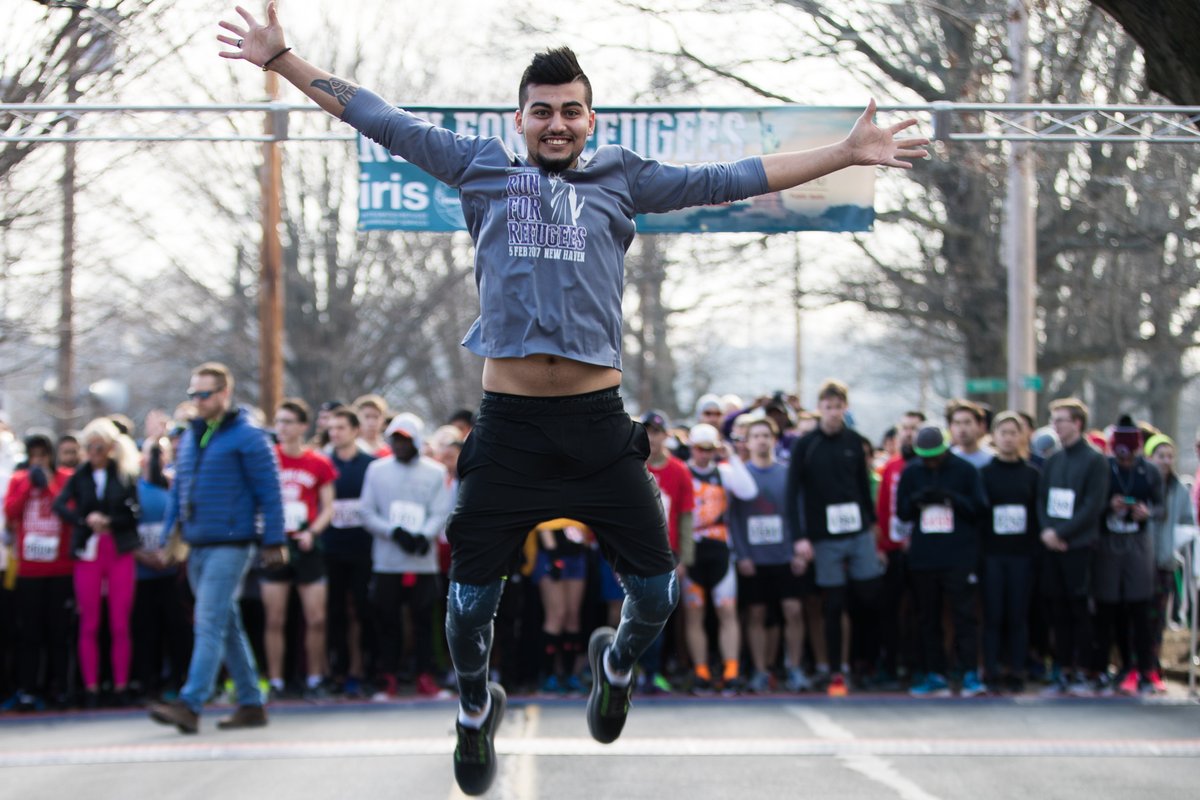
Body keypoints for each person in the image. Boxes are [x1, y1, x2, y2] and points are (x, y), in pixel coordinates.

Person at [218, 5, 927, 793]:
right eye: (542, 111)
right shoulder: (479, 166)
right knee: (465, 608)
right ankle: (473, 703)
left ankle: (615, 663)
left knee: (657, 594)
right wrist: (283, 59)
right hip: (511, 429)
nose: (556, 124)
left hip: (595, 428)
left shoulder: (624, 177)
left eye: (570, 111)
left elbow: (738, 177)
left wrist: (847, 153)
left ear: (591, 119)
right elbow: (378, 116)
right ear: (519, 119)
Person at [148, 362, 287, 734]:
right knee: (225, 622)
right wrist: (168, 535)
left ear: (224, 393)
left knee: (208, 621)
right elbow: (179, 488)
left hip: (232, 543)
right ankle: (251, 703)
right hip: (197, 543)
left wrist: (275, 539)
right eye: (193, 394)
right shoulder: (193, 435)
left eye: (204, 394)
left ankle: (191, 703)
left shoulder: (249, 436)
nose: (197, 400)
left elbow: (271, 492)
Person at [787, 380, 883, 696]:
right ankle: (836, 671)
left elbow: (863, 486)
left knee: (869, 596)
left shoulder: (855, 442)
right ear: (820, 409)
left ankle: (866, 663)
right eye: (827, 407)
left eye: (837, 407)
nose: (832, 412)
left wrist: (873, 527)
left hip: (857, 531)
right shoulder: (806, 444)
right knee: (832, 603)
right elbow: (792, 493)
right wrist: (800, 537)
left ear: (845, 408)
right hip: (823, 536)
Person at [359, 413, 454, 699]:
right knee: (387, 620)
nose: (399, 445)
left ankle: (425, 676)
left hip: (422, 561)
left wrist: (422, 536)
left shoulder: (435, 472)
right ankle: (387, 676)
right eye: (395, 440)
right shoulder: (376, 470)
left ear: (415, 440)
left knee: (424, 621)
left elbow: (441, 510)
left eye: (405, 440)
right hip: (387, 559)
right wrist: (393, 532)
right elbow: (366, 511)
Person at [53, 418, 142, 708]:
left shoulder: (124, 474)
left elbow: (134, 513)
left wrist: (109, 521)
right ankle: (91, 688)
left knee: (119, 622)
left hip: (117, 549)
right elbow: (59, 506)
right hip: (89, 549)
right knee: (89, 622)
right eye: (89, 447)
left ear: (110, 448)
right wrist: (84, 520)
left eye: (99, 447)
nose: (93, 452)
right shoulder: (79, 476)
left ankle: (120, 685)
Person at [897, 426, 988, 697]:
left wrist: (951, 499)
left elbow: (979, 509)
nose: (930, 463)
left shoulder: (966, 471)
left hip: (959, 555)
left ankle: (970, 672)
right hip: (924, 557)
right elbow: (902, 512)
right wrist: (918, 500)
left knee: (964, 616)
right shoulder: (912, 472)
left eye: (935, 457)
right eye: (925, 458)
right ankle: (934, 673)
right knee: (927, 617)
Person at [728, 417, 810, 693]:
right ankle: (761, 671)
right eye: (756, 436)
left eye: (766, 435)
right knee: (756, 613)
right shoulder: (740, 475)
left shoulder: (787, 474)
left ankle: (794, 668)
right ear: (748, 442)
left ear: (775, 440)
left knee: (793, 610)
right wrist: (742, 555)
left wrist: (800, 548)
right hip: (754, 558)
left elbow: (799, 511)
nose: (762, 440)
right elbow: (734, 518)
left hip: (786, 555)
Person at [265, 398, 336, 699]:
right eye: (278, 421)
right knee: (275, 618)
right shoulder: (268, 459)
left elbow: (329, 507)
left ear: (303, 427)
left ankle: (315, 678)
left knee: (316, 618)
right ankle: (276, 682)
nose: (281, 428)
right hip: (275, 545)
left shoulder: (317, 462)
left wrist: (312, 532)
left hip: (306, 543)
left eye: (288, 422)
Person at [1037, 398, 1109, 696]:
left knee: (1080, 609)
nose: (1056, 426)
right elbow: (1041, 498)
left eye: (1061, 420)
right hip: (1053, 545)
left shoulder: (1094, 460)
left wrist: (1063, 533)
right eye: (1053, 420)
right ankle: (1062, 670)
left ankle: (1084, 671)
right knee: (1057, 609)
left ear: (1077, 423)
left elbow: (1094, 505)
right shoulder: (1053, 459)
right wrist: (1047, 531)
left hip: (1079, 545)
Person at [683, 422, 757, 694]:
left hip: (720, 549)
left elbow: (749, 491)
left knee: (727, 611)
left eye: (710, 449)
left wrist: (732, 456)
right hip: (691, 550)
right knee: (694, 614)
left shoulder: (724, 472)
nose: (705, 455)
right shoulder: (683, 473)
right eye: (700, 449)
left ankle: (731, 670)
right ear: (692, 448)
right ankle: (701, 671)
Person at [4, 433, 75, 711]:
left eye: (43, 456)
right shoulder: (18, 480)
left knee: (59, 632)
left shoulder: (65, 479)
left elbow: (70, 513)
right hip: (29, 571)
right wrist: (27, 489)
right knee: (29, 634)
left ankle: (60, 688)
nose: (38, 461)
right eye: (34, 456)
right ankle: (28, 690)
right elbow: (10, 514)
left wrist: (48, 488)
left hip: (59, 569)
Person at [1092, 418, 1162, 695]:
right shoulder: (1104, 469)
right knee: (1108, 607)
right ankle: (1106, 668)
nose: (1125, 458)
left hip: (1138, 542)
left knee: (1140, 607)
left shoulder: (1150, 471)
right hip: (1108, 542)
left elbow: (1160, 505)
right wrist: (1108, 505)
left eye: (1130, 452)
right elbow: (1092, 501)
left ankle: (1144, 669)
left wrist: (1148, 512)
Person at [979, 412, 1040, 693]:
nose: (1008, 438)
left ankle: (1017, 669)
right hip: (993, 555)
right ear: (994, 436)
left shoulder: (1032, 475)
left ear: (1023, 436)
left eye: (1013, 432)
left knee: (1018, 615)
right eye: (1003, 432)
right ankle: (991, 668)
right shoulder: (985, 474)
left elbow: (1037, 516)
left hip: (1022, 555)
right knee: (993, 614)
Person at [638, 409, 695, 694]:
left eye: (656, 432)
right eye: (646, 430)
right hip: (632, 551)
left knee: (661, 615)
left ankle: (656, 671)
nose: (651, 437)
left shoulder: (679, 471)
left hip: (666, 553)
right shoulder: (629, 467)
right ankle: (629, 669)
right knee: (629, 612)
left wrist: (685, 557)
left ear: (665, 436)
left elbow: (686, 516)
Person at [324, 407, 376, 697]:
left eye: (341, 427)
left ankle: (364, 669)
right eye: (331, 428)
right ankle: (339, 670)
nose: (335, 433)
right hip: (331, 549)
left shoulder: (370, 465)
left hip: (363, 549)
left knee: (363, 610)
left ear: (355, 430)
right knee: (335, 613)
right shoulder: (324, 463)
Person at [1144, 433, 1193, 679]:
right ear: (1149, 457)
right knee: (1137, 617)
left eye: (1170, 456)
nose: (1165, 460)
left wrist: (1178, 541)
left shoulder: (1179, 490)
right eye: (1160, 455)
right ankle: (1135, 666)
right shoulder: (1142, 483)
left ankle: (1154, 666)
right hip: (1139, 562)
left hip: (1165, 561)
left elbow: (1188, 522)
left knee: (1158, 619)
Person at [946, 398, 993, 469]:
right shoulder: (947, 460)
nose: (962, 429)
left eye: (967, 422)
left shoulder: (991, 459)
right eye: (957, 423)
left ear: (980, 425)